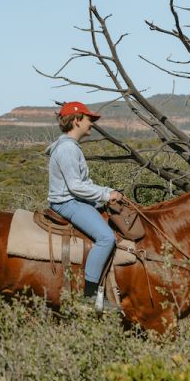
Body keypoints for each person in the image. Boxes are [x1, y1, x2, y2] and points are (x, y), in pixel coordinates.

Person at [46, 101, 126, 310]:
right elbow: (75, 186)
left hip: (74, 199)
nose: (92, 124)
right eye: (89, 119)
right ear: (77, 120)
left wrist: (107, 192)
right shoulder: (68, 150)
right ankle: (89, 297)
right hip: (68, 203)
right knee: (106, 237)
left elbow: (84, 184)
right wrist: (105, 195)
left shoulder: (70, 147)